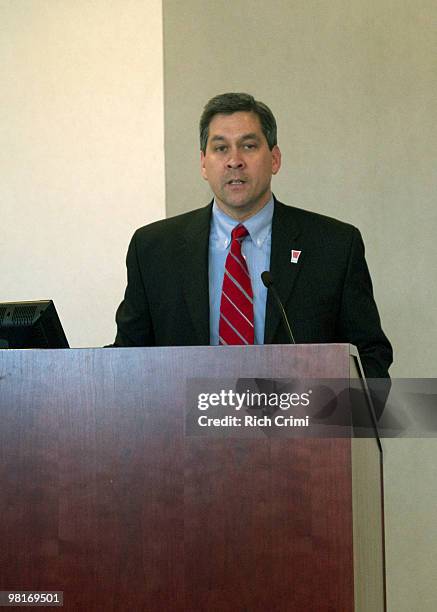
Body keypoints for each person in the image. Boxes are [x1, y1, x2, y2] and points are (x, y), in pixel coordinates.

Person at [113, 92, 392, 386]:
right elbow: (127, 357)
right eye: (220, 148)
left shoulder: (334, 245)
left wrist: (319, 409)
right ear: (203, 164)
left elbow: (369, 356)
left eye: (248, 146)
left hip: (298, 426)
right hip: (182, 426)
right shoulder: (153, 249)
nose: (235, 161)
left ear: (274, 159)